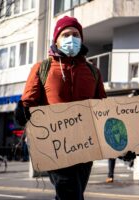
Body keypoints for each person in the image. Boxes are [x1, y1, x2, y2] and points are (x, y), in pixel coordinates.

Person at [15, 16, 107, 200]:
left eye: (75, 34)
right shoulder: (43, 68)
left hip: (85, 147)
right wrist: (23, 111)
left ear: (81, 39)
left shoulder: (93, 72)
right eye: (65, 35)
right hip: (54, 147)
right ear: (56, 40)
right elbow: (28, 103)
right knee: (70, 193)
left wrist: (122, 146)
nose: (71, 39)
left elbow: (103, 111)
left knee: (74, 193)